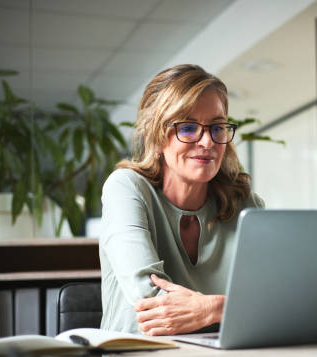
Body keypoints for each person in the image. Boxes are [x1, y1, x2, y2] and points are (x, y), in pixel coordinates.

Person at [98, 64, 264, 336]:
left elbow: (273, 302)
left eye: (217, 127)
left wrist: (210, 309)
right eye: (188, 127)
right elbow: (153, 302)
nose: (207, 142)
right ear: (156, 134)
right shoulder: (126, 188)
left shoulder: (246, 205)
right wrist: (233, 307)